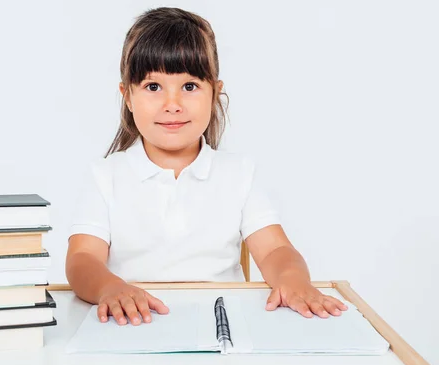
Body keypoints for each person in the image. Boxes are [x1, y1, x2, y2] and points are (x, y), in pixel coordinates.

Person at [65, 7, 347, 326]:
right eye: (153, 87)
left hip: (224, 324)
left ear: (215, 93)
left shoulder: (239, 174)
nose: (172, 104)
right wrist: (109, 288)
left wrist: (293, 279)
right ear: (127, 96)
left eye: (189, 87)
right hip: (133, 324)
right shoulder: (105, 176)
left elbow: (274, 250)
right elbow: (82, 259)